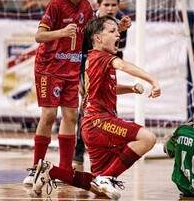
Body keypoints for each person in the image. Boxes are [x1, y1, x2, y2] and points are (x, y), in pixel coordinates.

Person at [32, 16, 160, 200]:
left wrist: (130, 89)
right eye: (112, 31)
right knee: (148, 138)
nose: (118, 34)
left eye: (118, 31)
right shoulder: (103, 57)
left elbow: (104, 89)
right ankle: (106, 178)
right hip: (99, 121)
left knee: (97, 184)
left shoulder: (94, 59)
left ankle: (50, 171)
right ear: (97, 39)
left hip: (91, 125)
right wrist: (153, 81)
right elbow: (123, 65)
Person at [23, 0, 93, 185]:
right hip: (49, 68)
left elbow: (90, 37)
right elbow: (38, 36)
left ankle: (64, 171)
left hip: (72, 69)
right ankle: (35, 168)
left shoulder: (87, 7)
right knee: (50, 115)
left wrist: (117, 28)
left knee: (71, 116)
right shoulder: (56, 3)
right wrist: (61, 32)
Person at [72, 0, 131, 170]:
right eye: (107, 4)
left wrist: (120, 30)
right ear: (99, 4)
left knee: (109, 108)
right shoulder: (90, 21)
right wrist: (80, 77)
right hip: (88, 70)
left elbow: (116, 50)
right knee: (87, 110)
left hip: (106, 69)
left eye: (114, 5)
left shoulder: (118, 24)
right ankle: (78, 155)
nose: (111, 8)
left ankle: (109, 153)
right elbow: (82, 51)